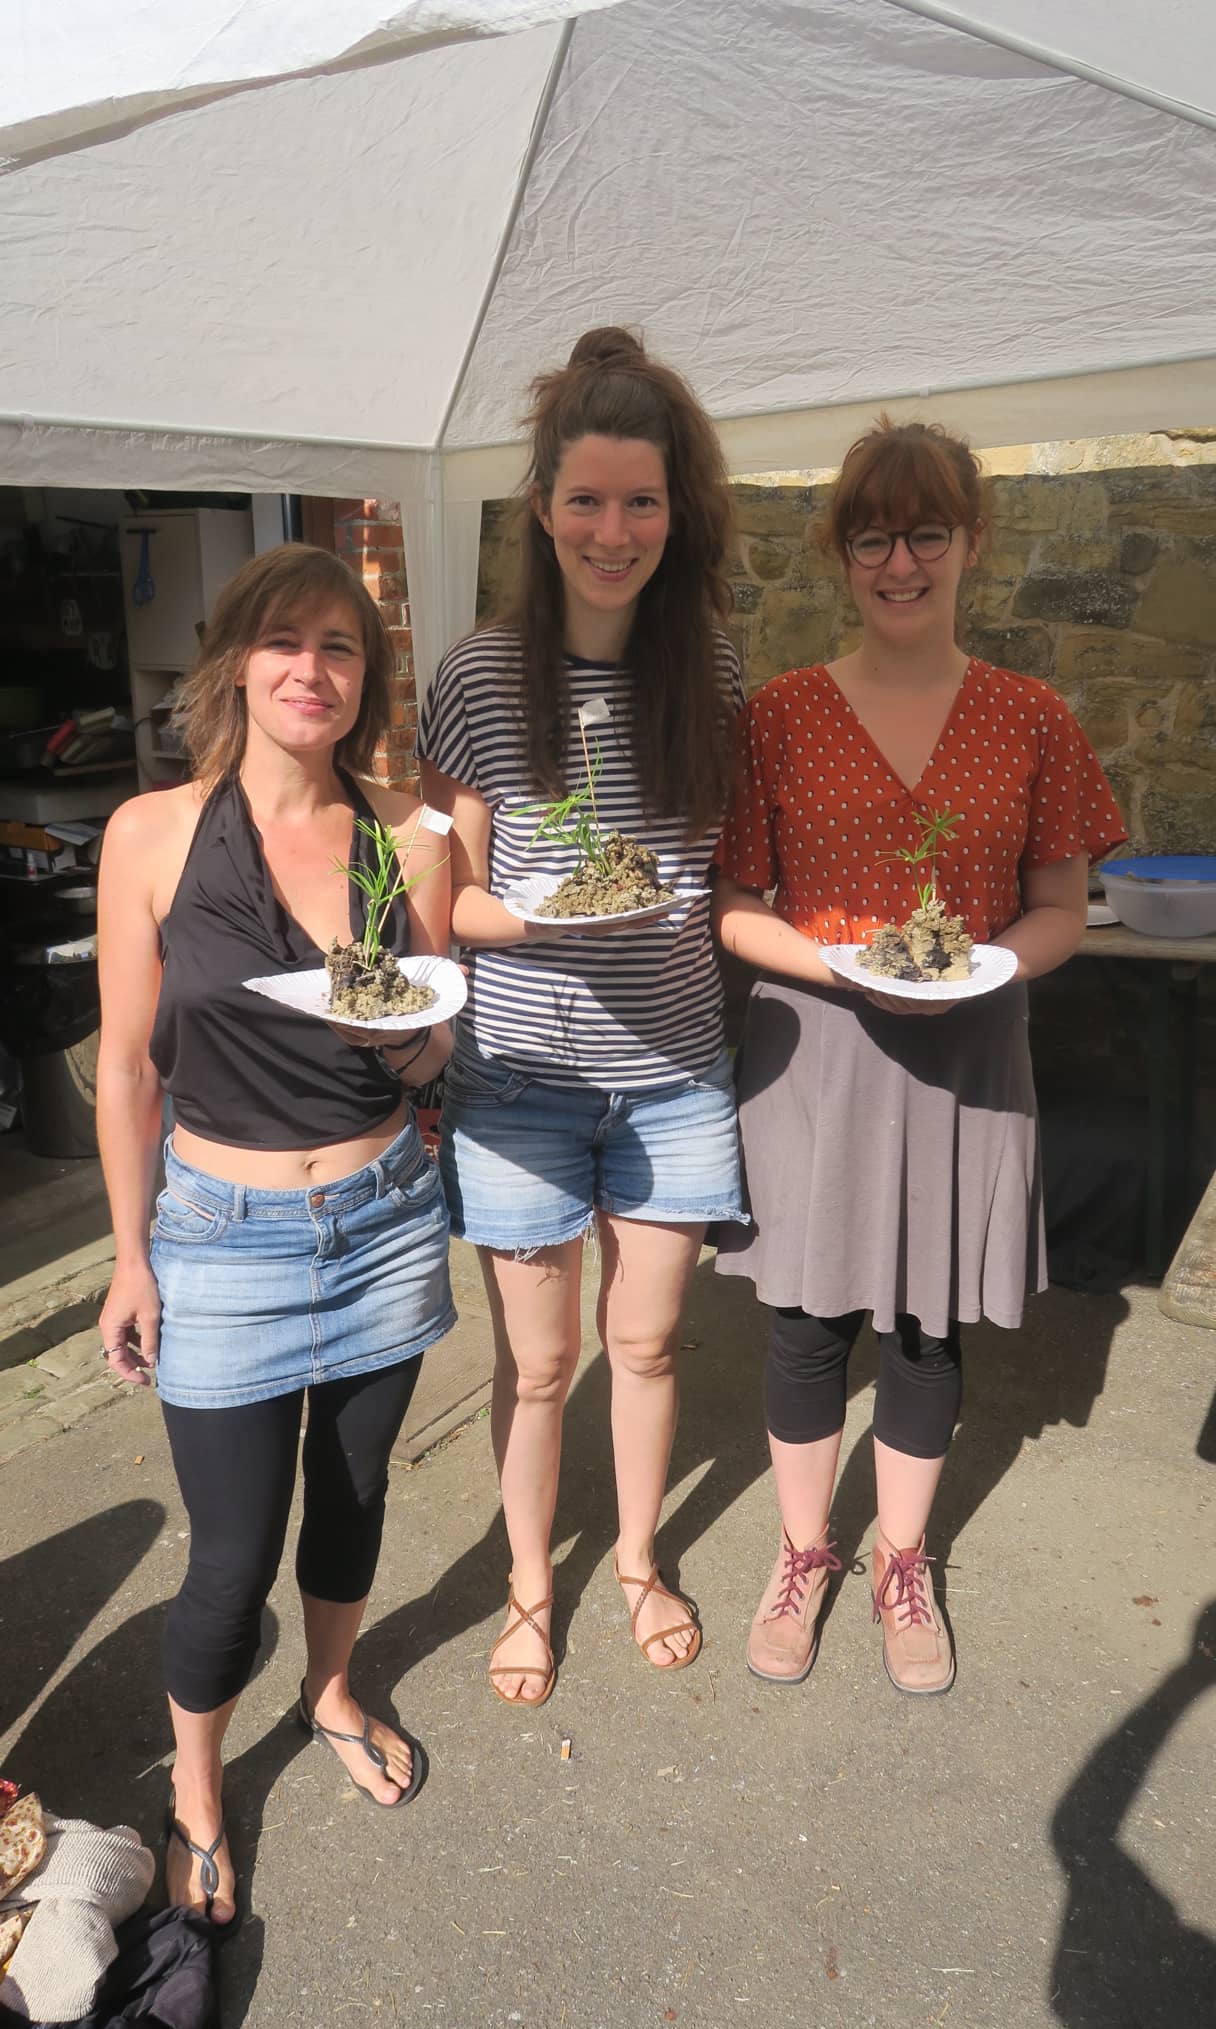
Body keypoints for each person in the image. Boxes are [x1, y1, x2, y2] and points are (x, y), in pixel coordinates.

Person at [713, 417, 1127, 1696]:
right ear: (840, 556)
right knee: (804, 1324)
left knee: (926, 1330)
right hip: (815, 1050)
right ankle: (801, 1553)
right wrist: (834, 967)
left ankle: (902, 1562)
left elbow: (1060, 907)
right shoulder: (779, 715)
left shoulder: (1030, 716)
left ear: (971, 543)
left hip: (967, 1057)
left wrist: (986, 967)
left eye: (925, 535)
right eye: (873, 540)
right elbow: (732, 904)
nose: (900, 564)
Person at [95, 543, 455, 1929]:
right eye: (285, 641)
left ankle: (333, 1691)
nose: (313, 669)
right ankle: (196, 1790)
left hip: (384, 1219)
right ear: (238, 661)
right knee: (231, 1554)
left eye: (341, 647)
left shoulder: (406, 835)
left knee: (354, 1503)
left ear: (367, 679)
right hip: (220, 1233)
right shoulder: (154, 833)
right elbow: (126, 1067)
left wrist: (413, 1037)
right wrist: (131, 1257)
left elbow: (428, 1050)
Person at [418, 326, 747, 1704]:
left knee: (649, 1344)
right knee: (542, 1363)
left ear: (679, 512)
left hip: (672, 1070)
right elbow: (449, 900)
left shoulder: (711, 667)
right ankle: (528, 1589)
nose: (615, 533)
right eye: (588, 501)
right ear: (544, 509)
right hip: (521, 1079)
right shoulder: (478, 675)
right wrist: (555, 917)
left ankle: (638, 1566)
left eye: (642, 502)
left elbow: (718, 868)